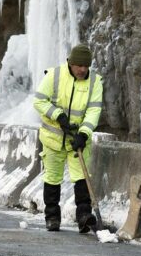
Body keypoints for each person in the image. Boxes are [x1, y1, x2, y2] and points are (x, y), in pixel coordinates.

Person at [33, 44, 104, 233]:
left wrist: (84, 133)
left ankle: (84, 216)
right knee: (53, 178)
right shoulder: (54, 76)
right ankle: (52, 217)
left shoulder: (95, 81)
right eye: (79, 65)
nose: (83, 69)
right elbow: (39, 100)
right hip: (54, 138)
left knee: (81, 177)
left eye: (86, 66)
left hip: (78, 140)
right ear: (71, 63)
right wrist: (59, 116)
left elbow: (94, 110)